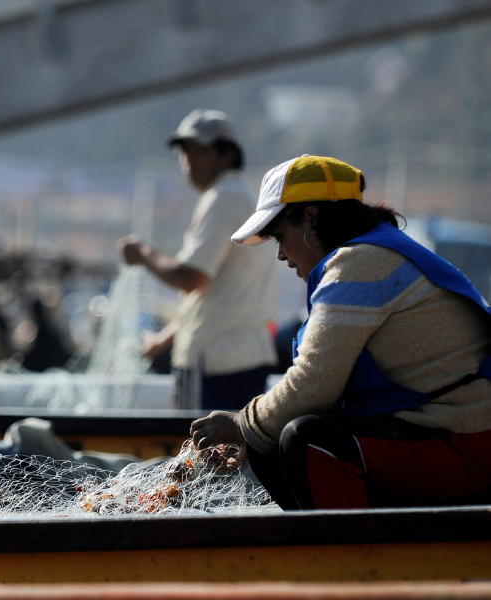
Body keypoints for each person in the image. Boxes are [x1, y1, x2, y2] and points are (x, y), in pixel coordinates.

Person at [190, 155, 491, 509]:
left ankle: (352, 561)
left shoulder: (359, 262)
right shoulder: (375, 251)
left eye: (280, 237)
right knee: (268, 437)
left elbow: (314, 383)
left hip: (467, 446)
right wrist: (254, 431)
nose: (282, 255)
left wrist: (242, 422)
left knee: (304, 439)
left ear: (311, 218)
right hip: (442, 434)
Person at [118, 109, 277, 410]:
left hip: (214, 364)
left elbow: (191, 277)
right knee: (236, 453)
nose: (189, 160)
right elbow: (216, 296)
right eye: (184, 152)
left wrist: (143, 253)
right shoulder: (245, 196)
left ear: (226, 154)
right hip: (246, 356)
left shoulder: (221, 198)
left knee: (204, 454)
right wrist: (162, 341)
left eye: (199, 151)